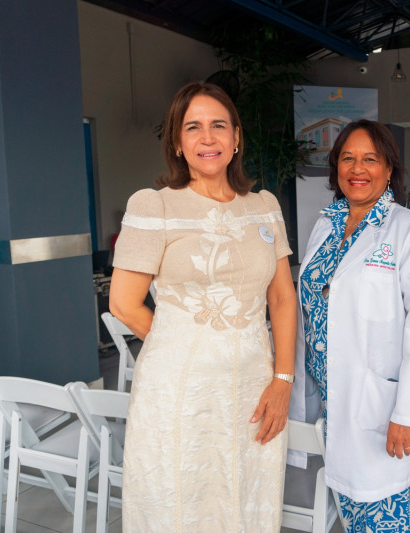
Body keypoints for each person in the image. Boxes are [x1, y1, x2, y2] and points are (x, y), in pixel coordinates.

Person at [109, 81, 297, 532]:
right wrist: (187, 345)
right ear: (177, 141)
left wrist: (283, 380)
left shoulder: (265, 207)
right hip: (179, 389)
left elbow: (282, 297)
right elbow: (123, 303)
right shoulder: (154, 206)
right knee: (181, 501)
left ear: (236, 138)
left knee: (246, 497)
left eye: (218, 126)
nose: (207, 138)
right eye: (193, 127)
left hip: (254, 387)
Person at [289, 119, 410, 532]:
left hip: (380, 409)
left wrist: (407, 413)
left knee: (384, 518)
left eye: (370, 159)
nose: (358, 168)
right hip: (329, 402)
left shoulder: (409, 232)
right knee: (350, 515)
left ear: (389, 169)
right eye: (348, 158)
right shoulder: (325, 226)